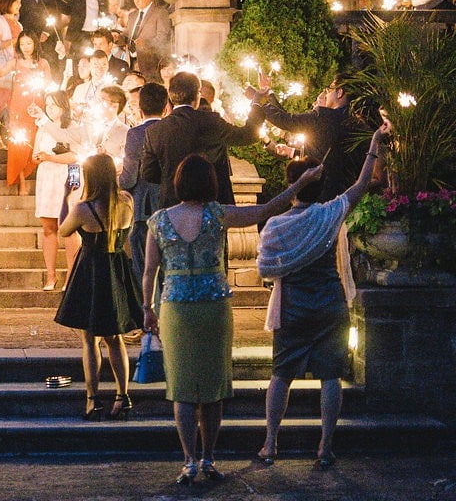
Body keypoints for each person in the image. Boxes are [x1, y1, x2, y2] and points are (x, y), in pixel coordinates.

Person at [141, 153, 323, 485]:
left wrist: (146, 309)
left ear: (178, 183)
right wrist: (301, 183)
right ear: (209, 182)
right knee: (213, 387)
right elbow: (266, 209)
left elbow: (150, 271)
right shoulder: (218, 214)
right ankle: (209, 457)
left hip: (176, 307)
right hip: (213, 306)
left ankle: (188, 461)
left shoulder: (159, 220)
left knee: (182, 388)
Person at [256, 121, 391, 470]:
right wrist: (375, 141)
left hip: (292, 308)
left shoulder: (275, 225)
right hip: (330, 303)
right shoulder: (330, 213)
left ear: (291, 186)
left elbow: (265, 267)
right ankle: (325, 446)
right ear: (319, 187)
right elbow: (362, 184)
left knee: (281, 375)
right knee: (330, 377)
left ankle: (270, 442)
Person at [55, 153, 143, 420]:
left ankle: (92, 399)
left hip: (91, 270)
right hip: (116, 269)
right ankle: (122, 395)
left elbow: (62, 231)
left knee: (89, 338)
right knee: (115, 337)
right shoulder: (126, 202)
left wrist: (65, 197)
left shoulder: (83, 208)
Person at [141, 71, 264, 208]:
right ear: (196, 95)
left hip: (172, 205)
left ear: (171, 95)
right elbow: (248, 135)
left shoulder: (154, 131)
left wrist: (174, 178)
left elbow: (148, 173)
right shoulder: (210, 121)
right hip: (209, 204)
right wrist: (257, 103)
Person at [252, 72, 365, 201]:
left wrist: (257, 101)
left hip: (318, 192)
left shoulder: (323, 117)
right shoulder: (357, 124)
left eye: (329, 89)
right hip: (344, 196)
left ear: (339, 93)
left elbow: (286, 120)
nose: (327, 94)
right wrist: (268, 94)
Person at [119, 82, 167, 286]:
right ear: (166, 108)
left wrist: (117, 182)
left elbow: (129, 176)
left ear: (140, 110)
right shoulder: (172, 130)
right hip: (171, 202)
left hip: (143, 206)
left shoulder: (136, 134)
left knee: (143, 266)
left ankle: (145, 309)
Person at [29, 91, 78, 291]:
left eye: (54, 105)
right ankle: (50, 275)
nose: (50, 108)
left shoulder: (73, 127)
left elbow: (75, 155)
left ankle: (71, 275)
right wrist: (41, 157)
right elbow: (34, 156)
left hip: (66, 176)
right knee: (48, 228)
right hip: (47, 177)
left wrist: (52, 158)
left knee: (68, 228)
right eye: (47, 105)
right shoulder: (42, 128)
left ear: (64, 106)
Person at [0, 31, 52, 195]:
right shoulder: (15, 62)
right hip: (18, 106)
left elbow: (49, 84)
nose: (26, 47)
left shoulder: (42, 63)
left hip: (36, 105)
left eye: (29, 43)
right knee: (18, 143)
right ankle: (22, 180)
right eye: (23, 44)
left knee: (37, 139)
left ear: (35, 43)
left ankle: (38, 178)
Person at [14, 0, 60, 69]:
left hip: (44, 33)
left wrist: (47, 32)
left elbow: (54, 12)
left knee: (46, 62)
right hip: (27, 32)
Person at [124, 0, 173, 83]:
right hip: (132, 63)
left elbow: (163, 38)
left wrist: (146, 43)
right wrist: (117, 37)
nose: (136, 1)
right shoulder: (132, 16)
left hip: (151, 64)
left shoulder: (160, 13)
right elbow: (127, 35)